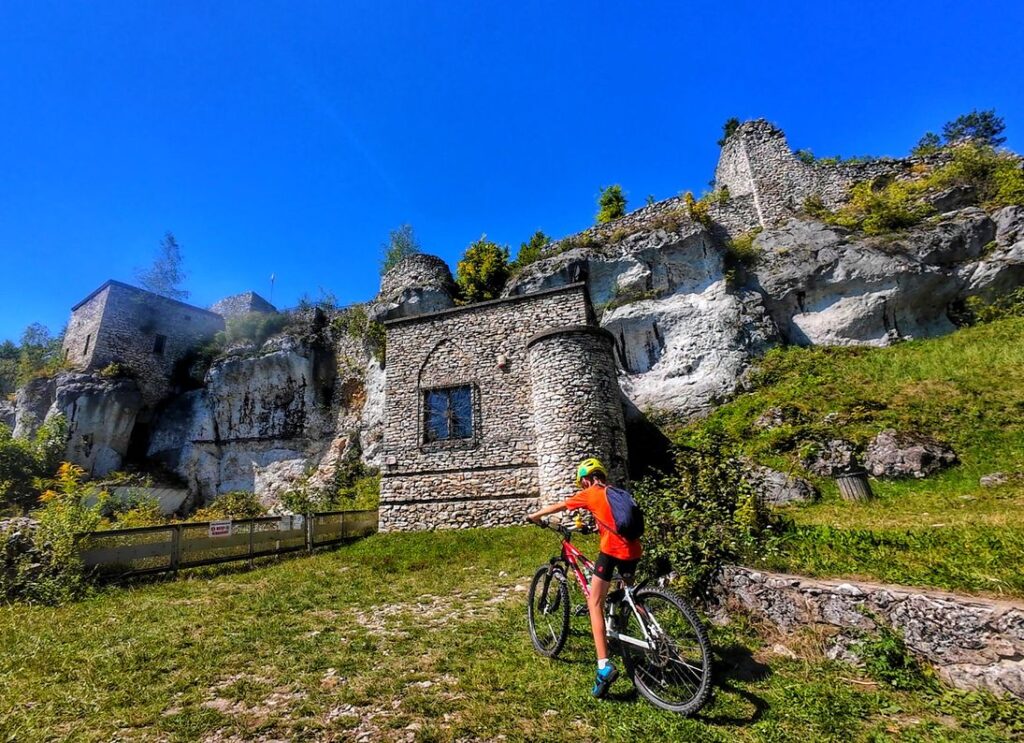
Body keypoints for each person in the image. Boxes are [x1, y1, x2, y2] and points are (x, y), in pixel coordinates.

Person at [527, 457, 642, 699]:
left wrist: (535, 516)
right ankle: (646, 626)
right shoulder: (615, 492)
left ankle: (603, 666)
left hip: (612, 552)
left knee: (594, 602)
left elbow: (558, 507)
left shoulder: (590, 493)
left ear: (587, 480)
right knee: (630, 594)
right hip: (633, 550)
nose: (583, 486)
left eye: (583, 483)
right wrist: (589, 528)